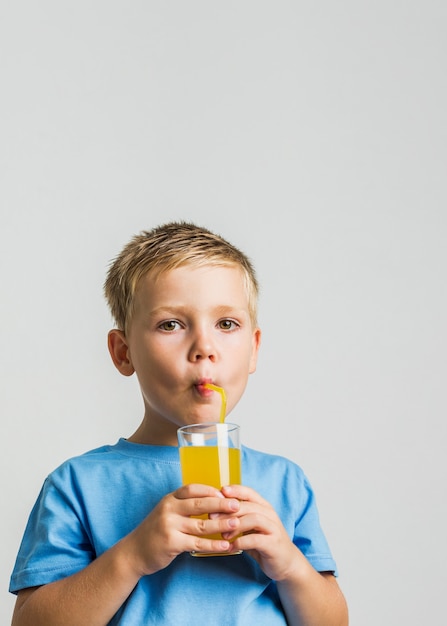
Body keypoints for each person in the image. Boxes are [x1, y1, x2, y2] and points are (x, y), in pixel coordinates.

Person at [9, 221, 348, 625]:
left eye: (226, 324)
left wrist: (289, 565)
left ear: (253, 350)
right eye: (171, 324)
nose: (204, 348)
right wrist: (134, 555)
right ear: (123, 353)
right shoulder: (76, 486)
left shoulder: (285, 482)